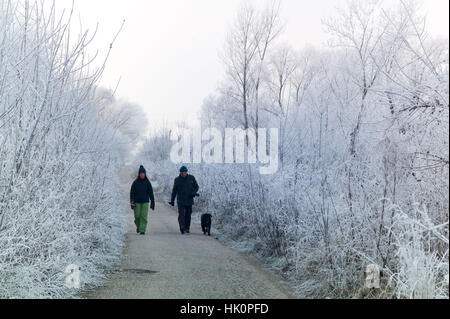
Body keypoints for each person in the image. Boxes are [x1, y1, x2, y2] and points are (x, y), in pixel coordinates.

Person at [169, 166, 199, 234]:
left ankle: (187, 228)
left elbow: (196, 187)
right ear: (180, 173)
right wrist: (172, 200)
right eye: (182, 172)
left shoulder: (191, 178)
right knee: (181, 214)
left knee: (188, 215)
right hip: (181, 200)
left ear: (186, 172)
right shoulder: (177, 180)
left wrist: (193, 193)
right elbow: (174, 191)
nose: (183, 174)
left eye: (184, 172)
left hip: (189, 200)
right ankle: (182, 227)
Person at [130, 165, 155, 235]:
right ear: (139, 174)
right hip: (137, 202)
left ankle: (142, 229)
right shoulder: (135, 183)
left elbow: (151, 193)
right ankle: (138, 226)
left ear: (145, 174)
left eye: (143, 173)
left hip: (145, 202)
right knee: (137, 216)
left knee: (143, 216)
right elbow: (132, 193)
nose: (142, 175)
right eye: (141, 173)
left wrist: (152, 202)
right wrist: (132, 202)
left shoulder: (147, 182)